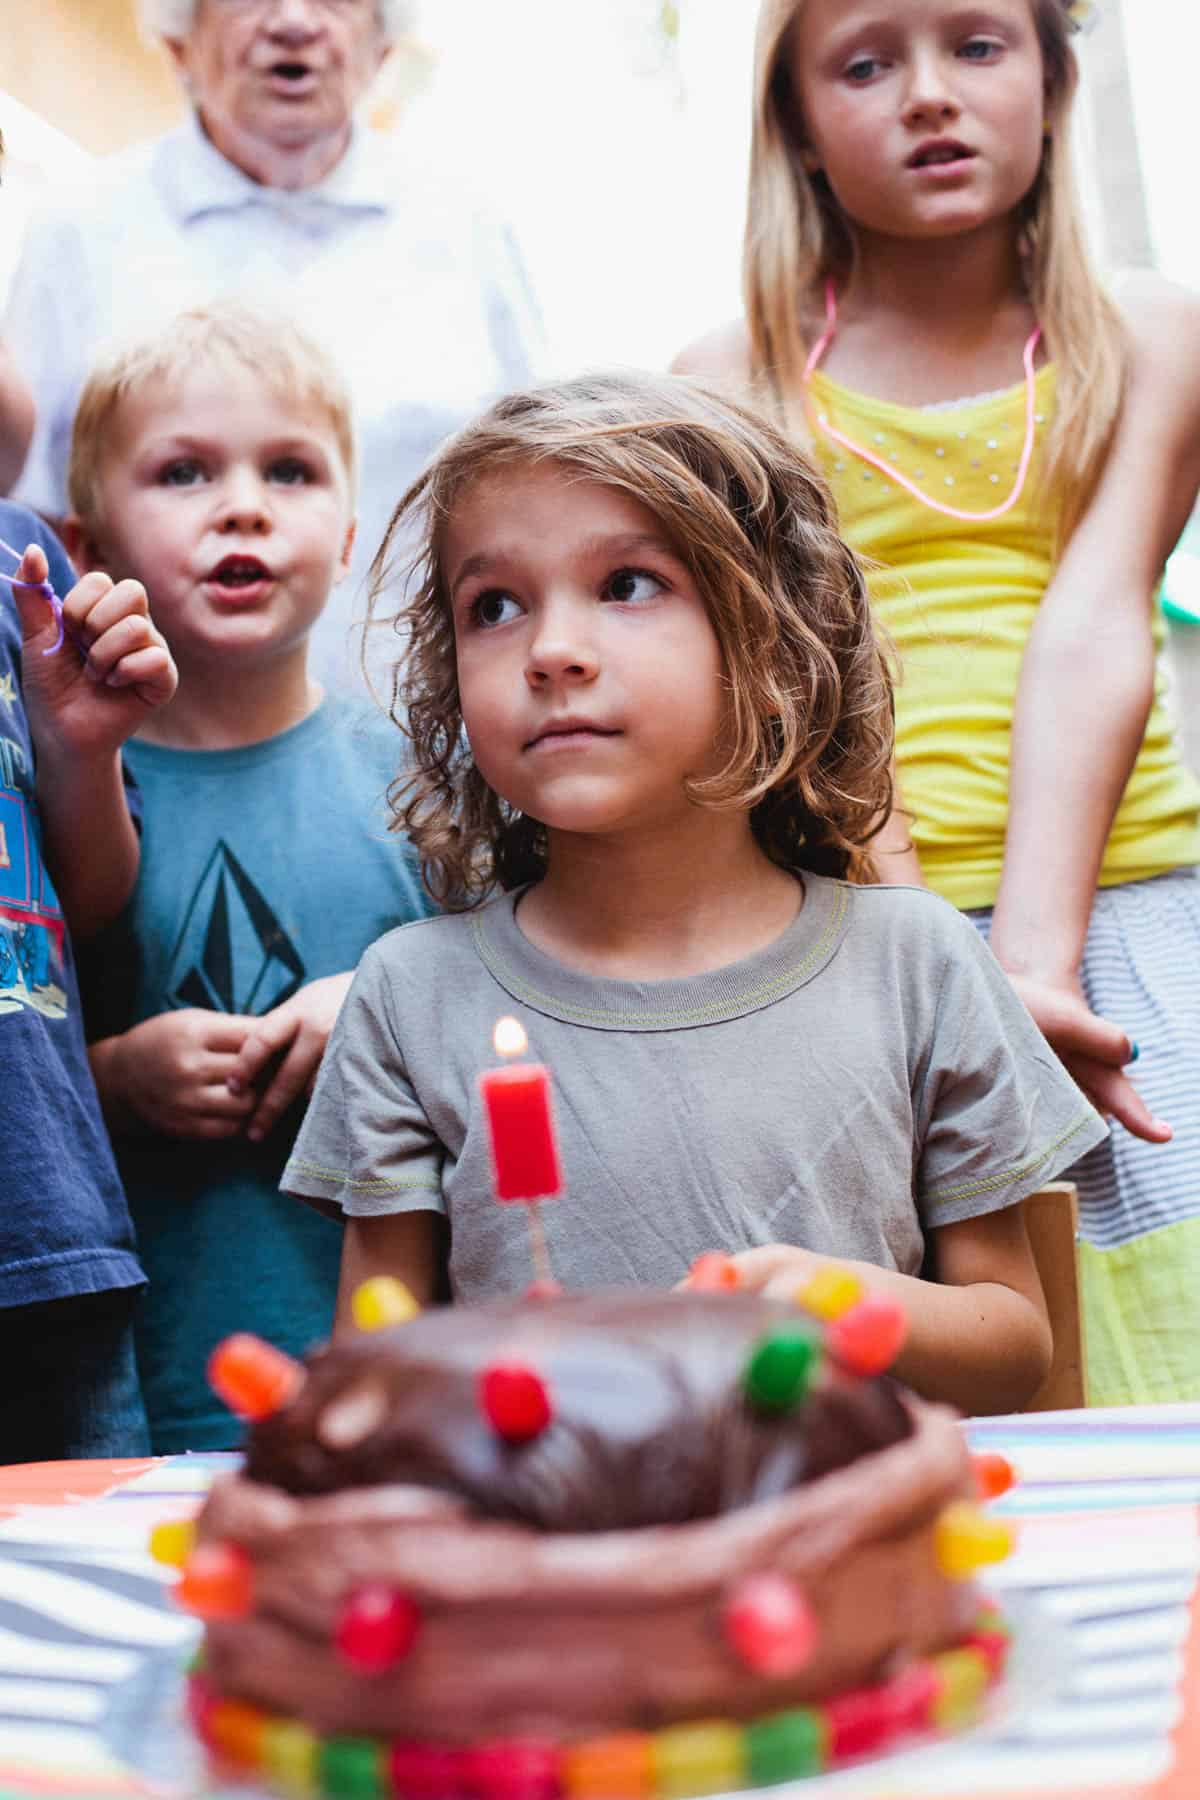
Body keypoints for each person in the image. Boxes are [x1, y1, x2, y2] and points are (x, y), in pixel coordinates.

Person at [282, 370, 1108, 1417]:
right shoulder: (410, 993)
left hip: (841, 1548)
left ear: (771, 635)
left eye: (627, 584)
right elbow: (378, 1376)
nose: (553, 653)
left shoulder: (919, 964)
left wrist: (827, 1299)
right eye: (494, 606)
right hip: (551, 1560)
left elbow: (1013, 1341)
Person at [674, 0, 1200, 1406]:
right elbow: (812, 676)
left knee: (1162, 1315)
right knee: (942, 1350)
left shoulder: (1153, 331)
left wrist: (1035, 969)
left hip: (1124, 911)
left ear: (1053, 73)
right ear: (791, 118)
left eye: (977, 45)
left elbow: (1096, 624)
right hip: (860, 930)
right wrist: (955, 981)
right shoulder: (726, 384)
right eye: (865, 61)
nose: (928, 96)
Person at [72, 305, 430, 1453]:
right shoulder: (56, 803)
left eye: (290, 470)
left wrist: (381, 1007)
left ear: (352, 536)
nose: (243, 505)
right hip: (131, 1402)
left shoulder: (426, 783)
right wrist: (113, 1080)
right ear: (89, 549)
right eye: (183, 472)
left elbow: (530, 1023)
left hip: (395, 1395)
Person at [3, 0, 542, 693]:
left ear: (383, 47)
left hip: (434, 737)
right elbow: (33, 523)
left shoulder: (469, 224)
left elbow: (532, 489)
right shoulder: (78, 227)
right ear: (177, 41)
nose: (293, 21)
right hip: (145, 758)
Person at [0, 506, 176, 1463]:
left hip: (44, 1239)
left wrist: (82, 746)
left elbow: (88, 902)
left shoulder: (16, 552)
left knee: (96, 1603)